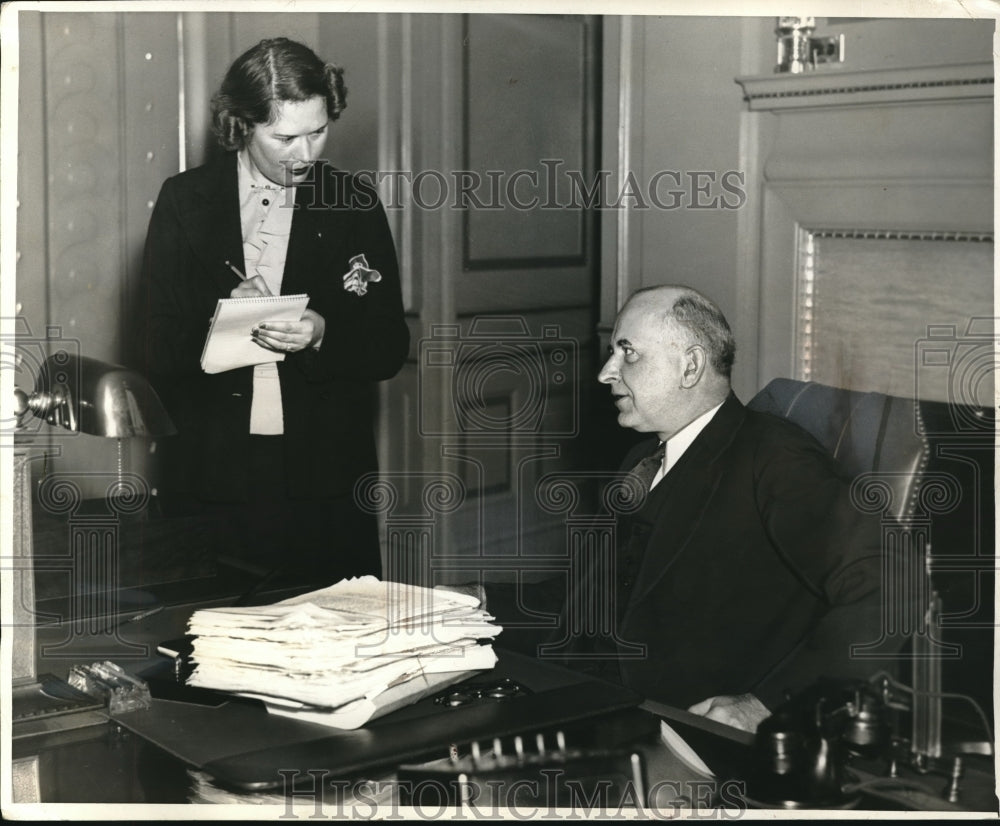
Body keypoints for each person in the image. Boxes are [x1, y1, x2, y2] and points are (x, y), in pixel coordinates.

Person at [490, 285, 890, 733]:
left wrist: (766, 705)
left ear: (691, 366)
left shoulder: (777, 460)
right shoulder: (641, 460)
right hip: (585, 702)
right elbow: (591, 601)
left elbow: (892, 585)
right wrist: (473, 605)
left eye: (628, 353)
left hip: (680, 736)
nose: (606, 372)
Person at [139, 38, 409, 588]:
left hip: (325, 477)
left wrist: (322, 333)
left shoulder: (354, 203)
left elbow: (388, 345)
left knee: (335, 642)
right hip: (213, 475)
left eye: (318, 131)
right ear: (241, 125)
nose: (306, 154)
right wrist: (218, 322)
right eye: (284, 137)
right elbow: (151, 345)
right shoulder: (183, 201)